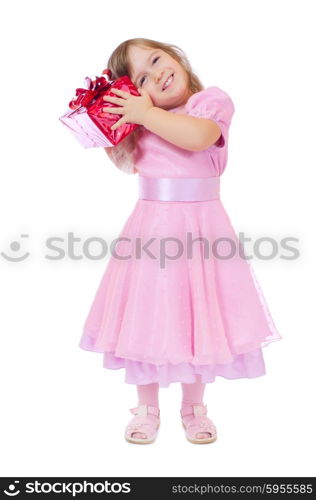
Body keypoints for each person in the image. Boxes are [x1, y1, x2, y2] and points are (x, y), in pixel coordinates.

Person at [79, 37, 282, 445]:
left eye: (157, 59)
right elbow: (121, 160)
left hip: (204, 229)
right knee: (149, 312)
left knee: (199, 312)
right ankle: (146, 407)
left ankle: (193, 407)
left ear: (178, 57)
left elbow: (197, 138)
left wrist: (145, 111)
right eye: (142, 78)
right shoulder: (142, 120)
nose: (157, 73)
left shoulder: (210, 103)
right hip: (151, 230)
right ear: (134, 92)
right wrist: (103, 118)